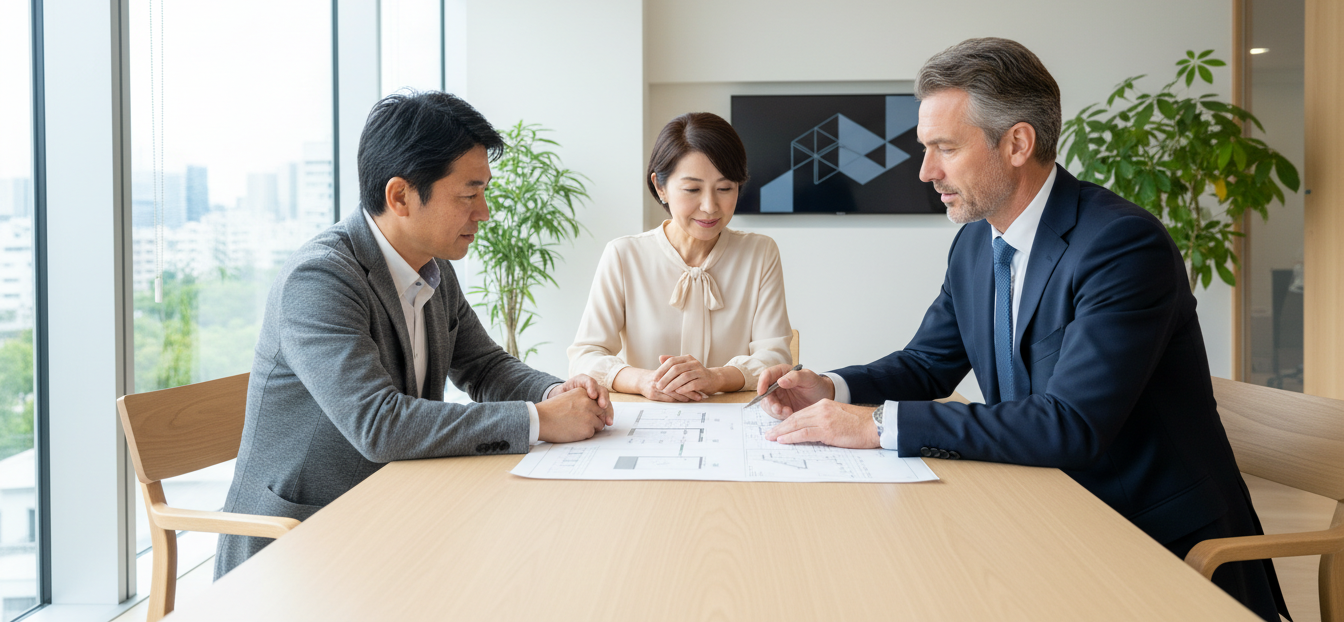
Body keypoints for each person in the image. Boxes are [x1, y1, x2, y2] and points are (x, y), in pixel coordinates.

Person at [755, 38, 1288, 622]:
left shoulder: (1120, 245)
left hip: (1147, 541)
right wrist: (831, 387)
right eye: (925, 149)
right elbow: (927, 363)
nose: (926, 171)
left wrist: (876, 425)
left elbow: (1070, 424)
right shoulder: (976, 245)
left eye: (945, 149)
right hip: (1043, 510)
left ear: (1017, 143)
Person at [216, 91, 613, 578]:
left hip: (390, 514)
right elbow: (379, 425)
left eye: (484, 192)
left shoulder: (431, 265)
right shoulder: (319, 279)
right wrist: (538, 419)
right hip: (299, 545)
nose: (484, 212)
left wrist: (556, 391)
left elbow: (484, 366)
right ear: (400, 196)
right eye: (469, 195)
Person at [568, 113, 792, 401]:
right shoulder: (624, 255)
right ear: (660, 187)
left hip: (734, 421)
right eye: (692, 189)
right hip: (646, 423)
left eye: (725, 188)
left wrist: (716, 377)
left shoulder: (760, 253)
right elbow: (584, 357)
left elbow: (775, 358)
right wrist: (643, 381)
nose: (710, 206)